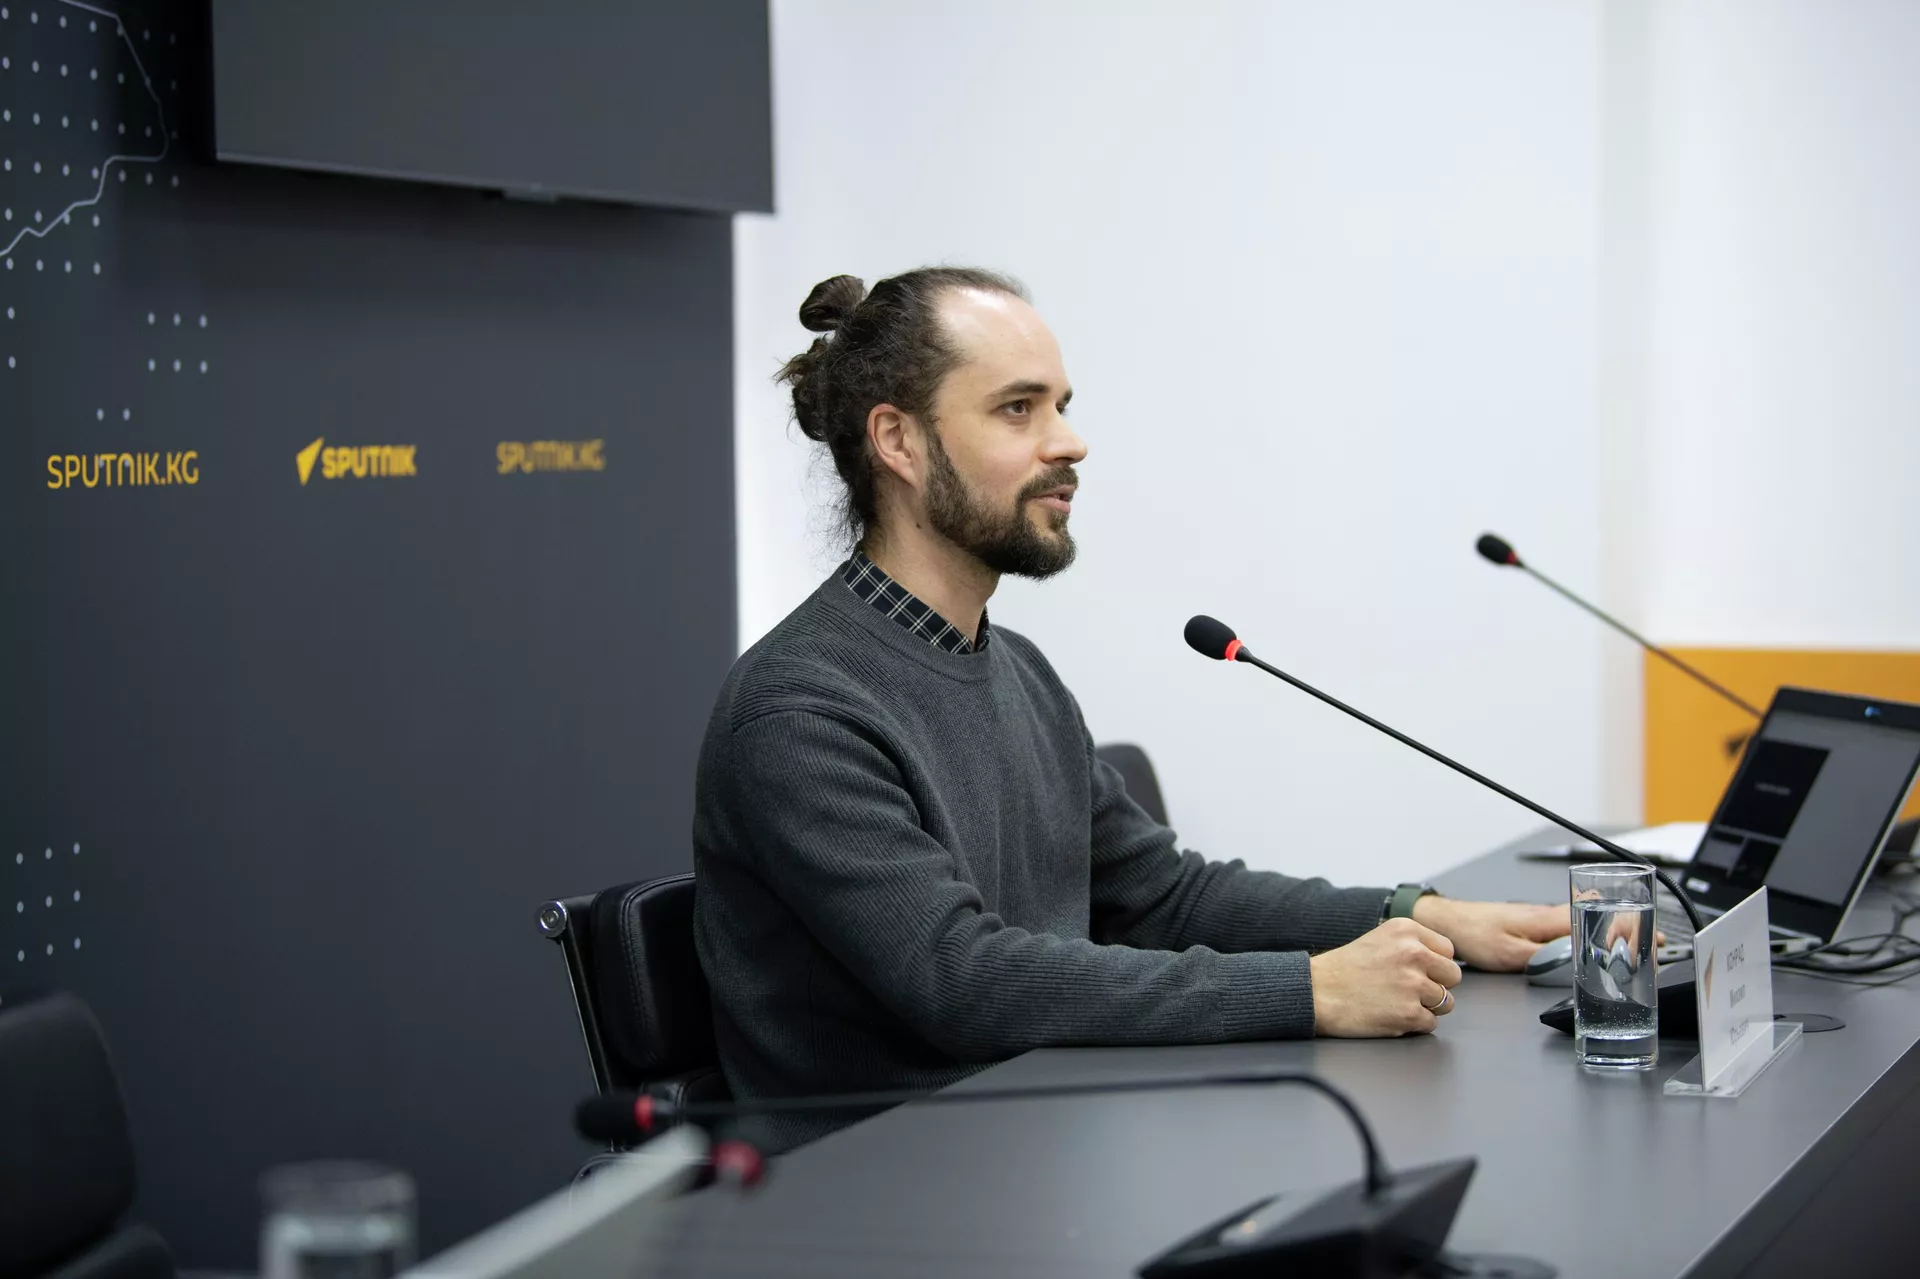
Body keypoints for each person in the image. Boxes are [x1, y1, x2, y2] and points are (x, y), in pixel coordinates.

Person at [693, 267, 1569, 1152]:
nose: (1070, 442)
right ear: (899, 442)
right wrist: (1310, 989)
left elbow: (1166, 898)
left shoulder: (1017, 670)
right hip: (878, 1183)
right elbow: (962, 979)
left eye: (1062, 406)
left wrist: (1415, 915)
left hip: (1038, 1142)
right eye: (1017, 409)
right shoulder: (800, 710)